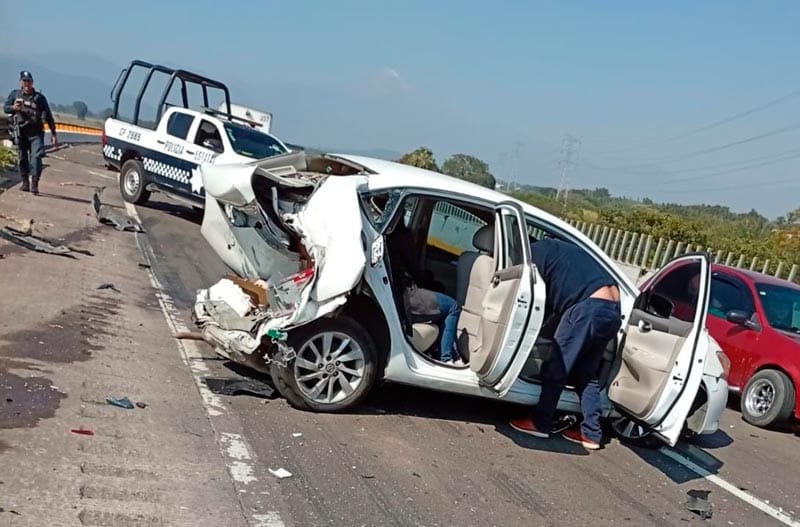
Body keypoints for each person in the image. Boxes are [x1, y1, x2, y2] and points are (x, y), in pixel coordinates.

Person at [510, 237, 622, 450]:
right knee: (586, 373)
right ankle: (591, 433)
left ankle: (540, 423)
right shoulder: (564, 251)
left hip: (587, 307)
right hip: (613, 310)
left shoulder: (533, 255)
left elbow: (532, 294)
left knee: (557, 366)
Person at [386, 216, 463, 366]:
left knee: (438, 293)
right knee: (453, 306)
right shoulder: (402, 235)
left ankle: (442, 351)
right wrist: (426, 281)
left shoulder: (385, 235)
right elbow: (414, 270)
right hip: (406, 296)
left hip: (397, 292)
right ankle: (446, 357)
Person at [3, 70, 57, 195]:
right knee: (22, 158)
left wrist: (54, 133)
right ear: (21, 82)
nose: (26, 84)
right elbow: (6, 108)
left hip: (36, 132)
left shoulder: (39, 98)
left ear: (32, 82)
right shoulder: (15, 94)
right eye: (24, 81)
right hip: (21, 131)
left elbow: (48, 116)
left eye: (29, 81)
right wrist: (13, 108)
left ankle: (34, 183)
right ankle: (25, 182)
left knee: (36, 157)